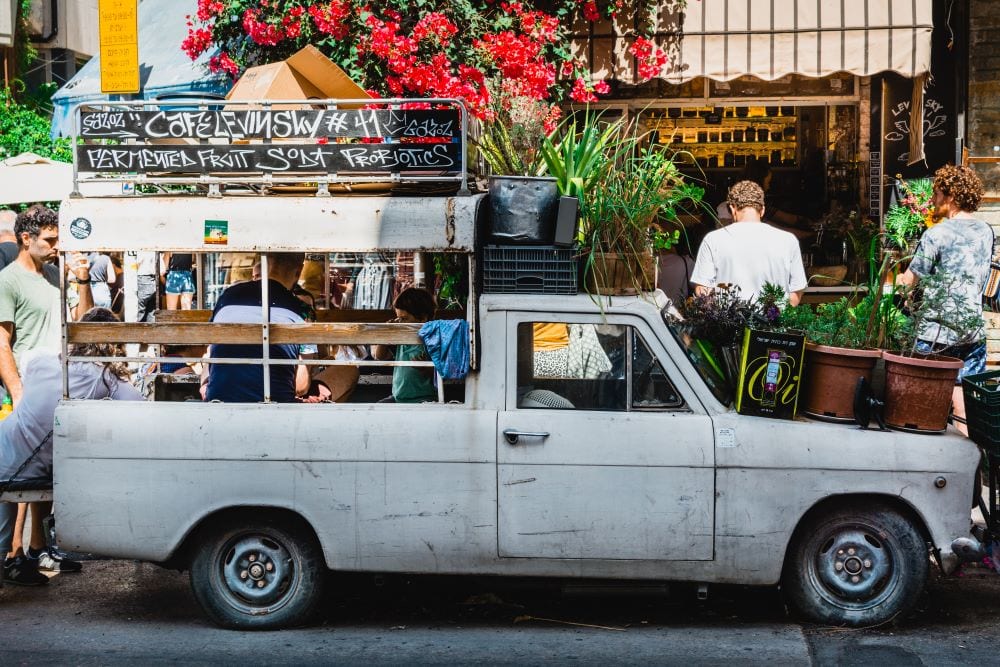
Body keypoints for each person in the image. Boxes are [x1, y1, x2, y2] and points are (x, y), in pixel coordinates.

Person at [0, 308, 143, 586]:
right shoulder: (104, 378)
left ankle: (15, 562)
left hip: (5, 447)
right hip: (19, 469)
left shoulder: (40, 362)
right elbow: (140, 408)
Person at [0, 205, 93, 578]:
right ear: (27, 238)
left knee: (47, 474)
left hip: (53, 386)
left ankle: (39, 550)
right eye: (50, 240)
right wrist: (17, 391)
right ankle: (13, 555)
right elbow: (2, 342)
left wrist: (82, 280)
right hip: (23, 391)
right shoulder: (8, 281)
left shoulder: (55, 274)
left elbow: (82, 322)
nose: (56, 246)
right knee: (18, 478)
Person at [895, 165, 993, 434]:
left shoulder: (936, 234)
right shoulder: (986, 231)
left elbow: (909, 281)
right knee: (962, 401)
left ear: (950, 196)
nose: (933, 199)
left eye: (937, 192)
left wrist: (893, 288)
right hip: (972, 331)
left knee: (925, 404)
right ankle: (970, 463)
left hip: (936, 333)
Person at [203, 253, 311, 403]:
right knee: (348, 370)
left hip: (219, 398)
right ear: (298, 271)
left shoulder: (228, 296)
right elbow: (301, 386)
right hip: (278, 404)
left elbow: (209, 352)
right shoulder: (301, 308)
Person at [691, 180, 808, 305]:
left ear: (732, 209)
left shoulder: (713, 239)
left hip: (727, 323)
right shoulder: (788, 240)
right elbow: (795, 294)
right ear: (762, 210)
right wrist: (777, 316)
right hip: (773, 322)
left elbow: (702, 290)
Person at [373, 287, 437, 403]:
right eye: (398, 318)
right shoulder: (401, 338)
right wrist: (386, 334)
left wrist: (426, 368)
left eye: (404, 319)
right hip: (398, 398)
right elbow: (380, 356)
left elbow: (442, 373)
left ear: (423, 317)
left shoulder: (433, 339)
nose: (400, 323)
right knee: (377, 409)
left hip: (424, 399)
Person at [135, 251, 159, 322]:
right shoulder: (155, 250)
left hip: (142, 279)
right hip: (154, 280)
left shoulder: (141, 250)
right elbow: (162, 270)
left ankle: (137, 330)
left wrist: (131, 267)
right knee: (151, 311)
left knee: (139, 311)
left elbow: (135, 265)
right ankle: (151, 331)